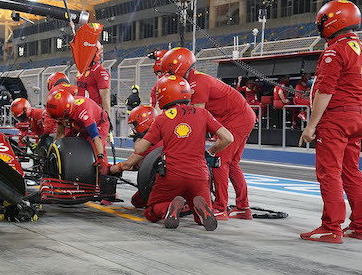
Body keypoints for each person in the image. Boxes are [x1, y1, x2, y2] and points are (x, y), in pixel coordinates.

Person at [298, 0, 362, 244]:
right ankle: (361, 225)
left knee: (329, 172)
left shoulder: (334, 51)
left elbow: (325, 91)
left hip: (336, 118)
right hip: (359, 115)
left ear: (332, 22)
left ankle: (331, 227)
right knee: (351, 171)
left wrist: (311, 126)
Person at [112, 75, 232, 229]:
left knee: (150, 211)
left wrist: (138, 136)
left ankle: (169, 207)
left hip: (172, 174)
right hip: (200, 174)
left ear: (164, 95)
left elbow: (140, 149)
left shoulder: (162, 119)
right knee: (198, 218)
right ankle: (199, 210)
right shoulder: (203, 114)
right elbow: (228, 138)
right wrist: (209, 152)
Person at [160, 47, 256, 220]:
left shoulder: (197, 83)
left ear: (178, 68)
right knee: (232, 164)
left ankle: (220, 207)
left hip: (237, 117)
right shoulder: (196, 80)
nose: (168, 76)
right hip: (241, 116)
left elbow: (197, 121)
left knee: (219, 162)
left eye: (169, 72)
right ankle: (243, 208)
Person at [46, 87, 109, 174]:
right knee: (66, 144)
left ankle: (103, 174)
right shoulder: (61, 110)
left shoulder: (84, 113)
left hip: (98, 123)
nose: (61, 121)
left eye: (62, 118)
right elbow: (60, 135)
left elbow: (95, 136)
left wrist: (101, 157)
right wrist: (51, 153)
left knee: (94, 150)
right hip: (76, 122)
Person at [108, 104, 159, 208]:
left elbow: (128, 164)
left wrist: (109, 170)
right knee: (138, 200)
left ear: (143, 122)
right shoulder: (160, 134)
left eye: (135, 124)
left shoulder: (146, 143)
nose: (134, 128)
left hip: (159, 182)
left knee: (142, 204)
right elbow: (134, 165)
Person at [76, 43, 112, 118]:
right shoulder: (81, 71)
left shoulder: (100, 72)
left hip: (93, 114)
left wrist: (107, 120)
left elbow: (105, 99)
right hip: (80, 112)